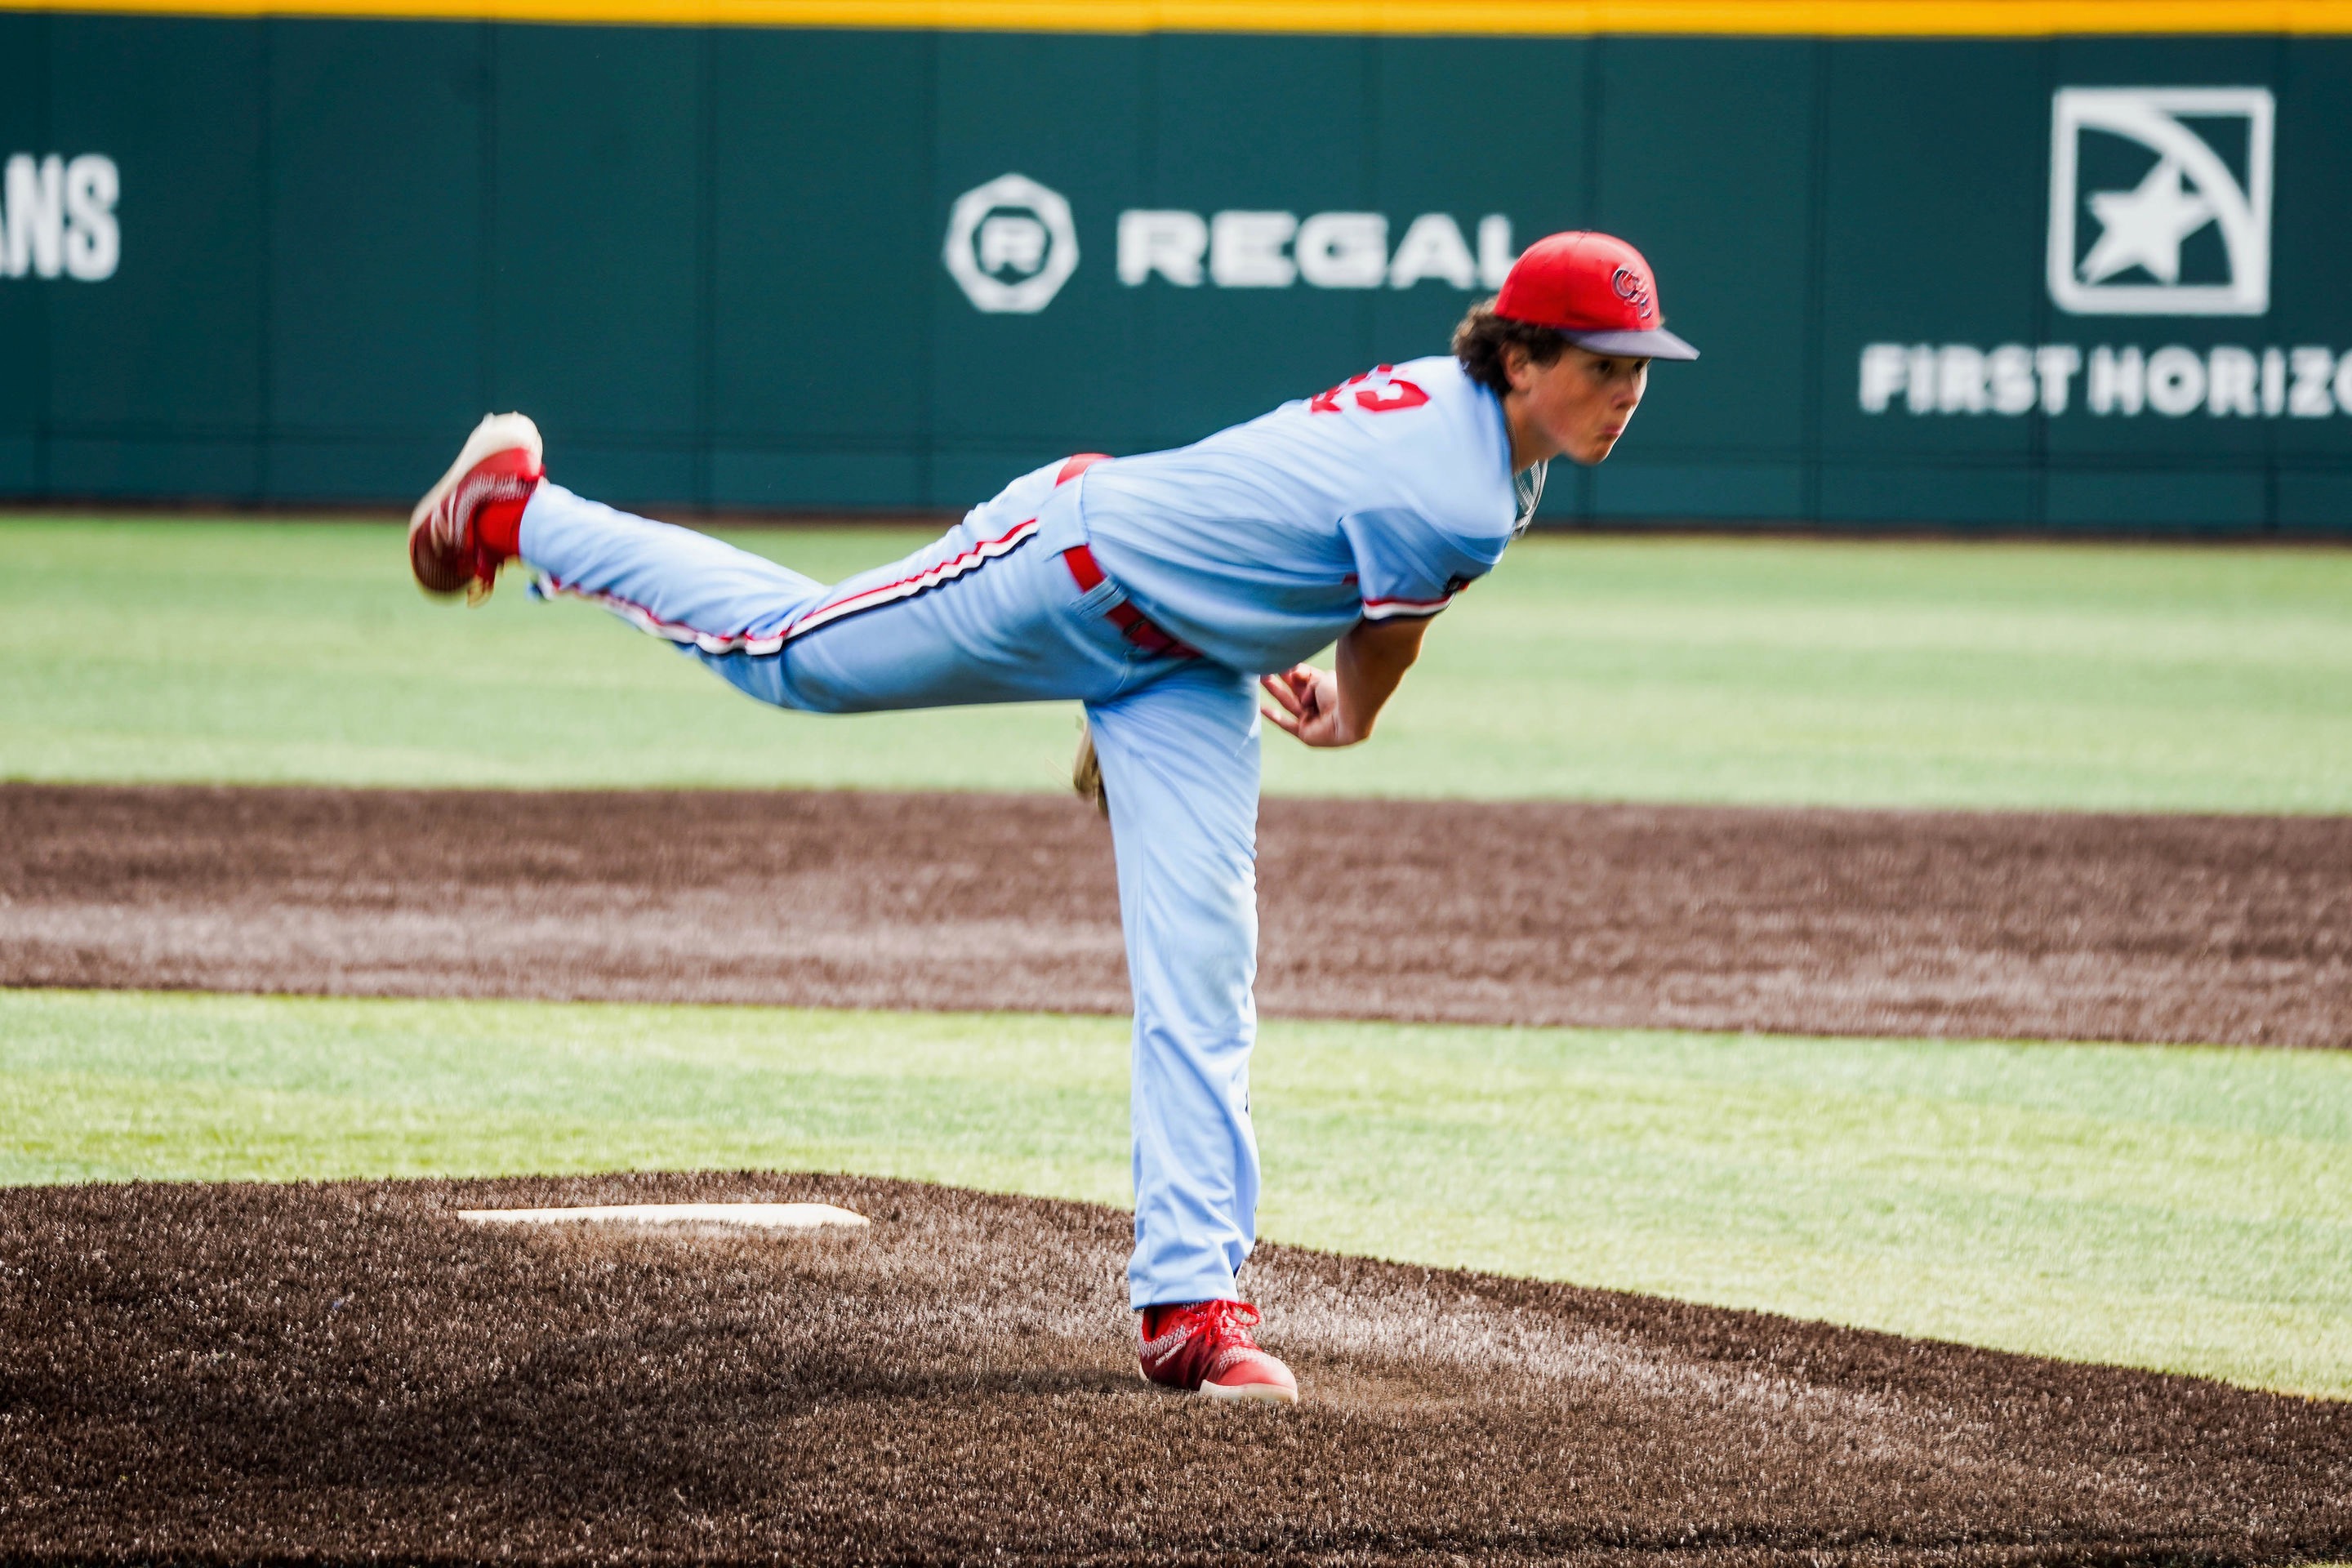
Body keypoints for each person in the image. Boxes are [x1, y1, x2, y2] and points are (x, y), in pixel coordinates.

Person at [407, 230, 1696, 1405]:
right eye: (1604, 364)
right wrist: (1349, 716)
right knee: (792, 656)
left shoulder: (1486, 440)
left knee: (1205, 967)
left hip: (1189, 664)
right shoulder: (1460, 488)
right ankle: (517, 510)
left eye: (1640, 367)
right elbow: (1382, 648)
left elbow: (1307, 545)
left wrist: (1240, 640)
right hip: (1064, 571)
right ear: (1520, 359)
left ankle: (1191, 1307)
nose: (1629, 390)